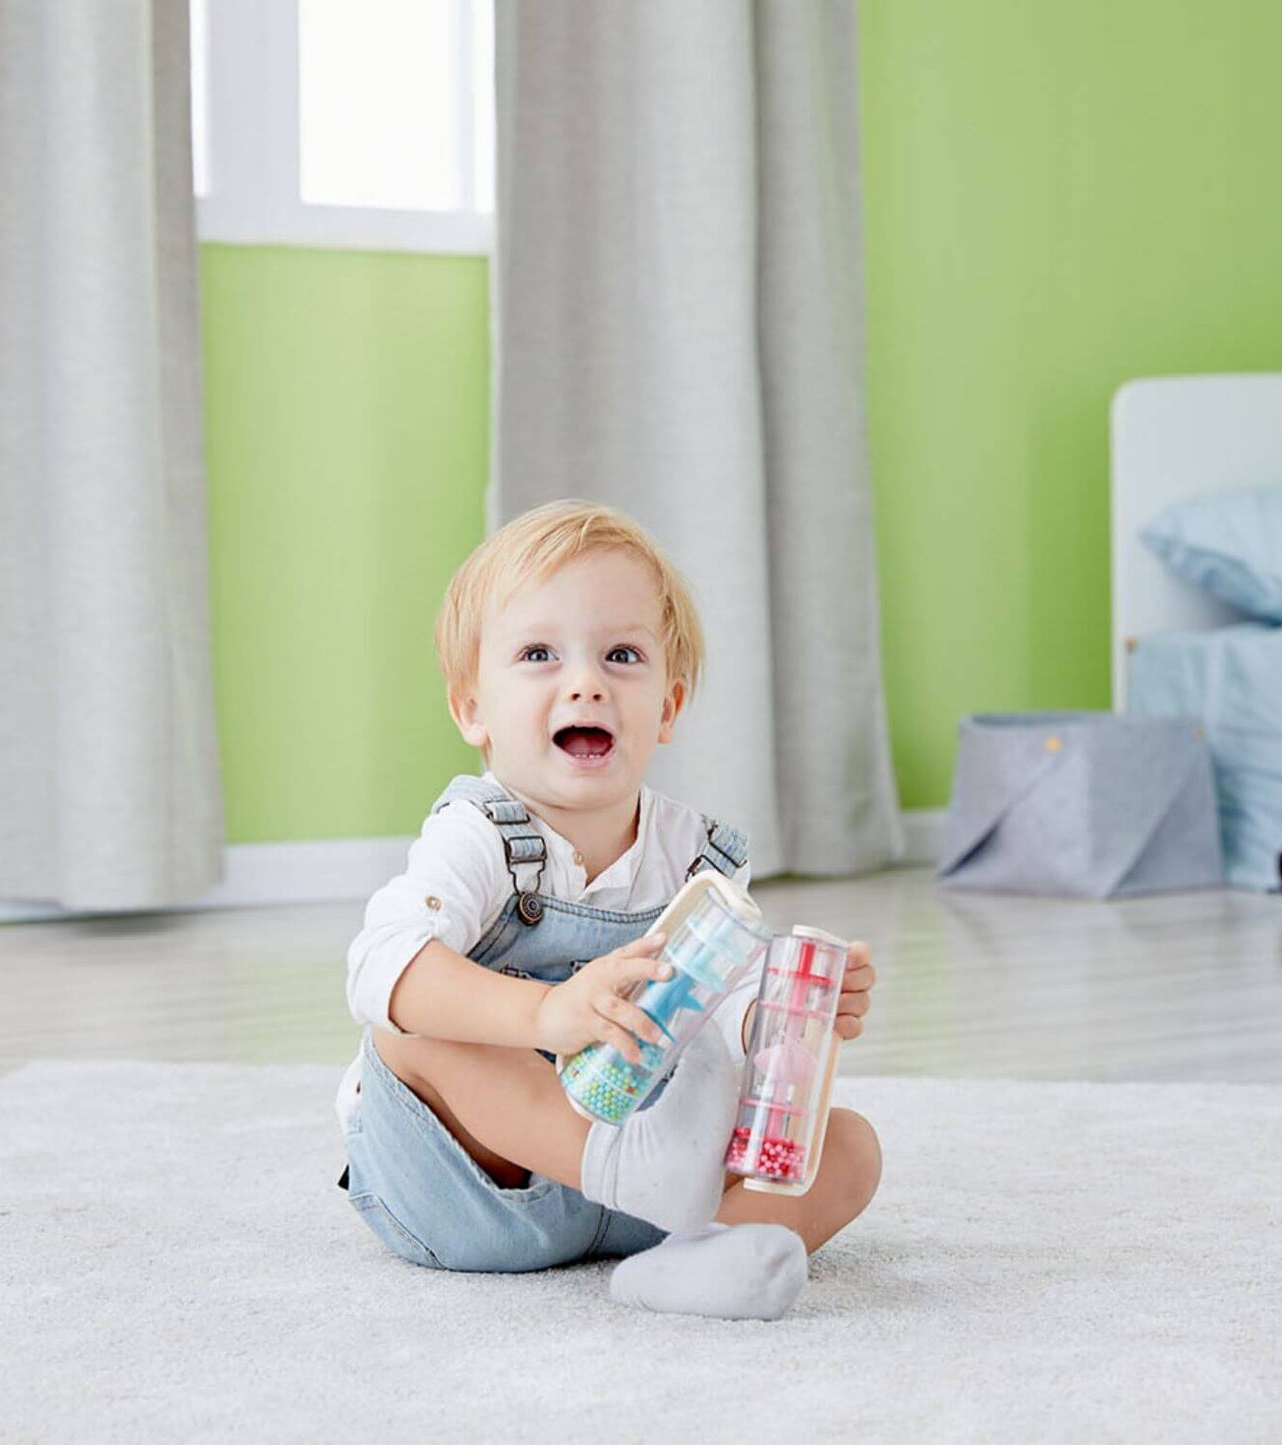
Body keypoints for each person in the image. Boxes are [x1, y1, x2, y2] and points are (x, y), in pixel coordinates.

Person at [338, 501, 881, 1319]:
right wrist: (547, 1011)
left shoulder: (696, 856)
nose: (585, 680)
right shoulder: (479, 833)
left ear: (666, 706)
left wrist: (785, 1015)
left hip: (649, 1197)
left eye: (620, 654)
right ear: (472, 709)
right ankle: (644, 1180)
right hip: (480, 1188)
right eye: (538, 654)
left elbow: (724, 1013)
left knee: (848, 1147)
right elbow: (377, 961)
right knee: (405, 1024)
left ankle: (705, 1258)